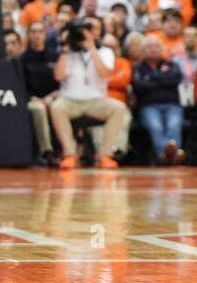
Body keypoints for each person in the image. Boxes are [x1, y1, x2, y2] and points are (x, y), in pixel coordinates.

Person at [50, 19, 129, 170]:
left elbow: (104, 73)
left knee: (118, 107)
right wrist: (66, 48)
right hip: (70, 101)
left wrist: (92, 48)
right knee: (56, 106)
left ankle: (105, 155)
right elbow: (58, 76)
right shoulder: (67, 52)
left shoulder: (105, 52)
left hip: (96, 102)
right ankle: (69, 155)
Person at [130, 36, 186, 164]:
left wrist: (150, 79)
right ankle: (166, 155)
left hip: (172, 105)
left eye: (156, 46)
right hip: (149, 106)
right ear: (142, 51)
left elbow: (175, 79)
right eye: (149, 47)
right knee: (155, 126)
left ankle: (170, 156)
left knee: (174, 125)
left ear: (162, 49)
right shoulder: (138, 67)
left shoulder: (172, 64)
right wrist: (162, 79)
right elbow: (138, 86)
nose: (153, 49)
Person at [21, 18, 61, 165]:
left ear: (45, 34)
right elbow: (19, 86)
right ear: (28, 35)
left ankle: (65, 151)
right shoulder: (23, 59)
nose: (37, 35)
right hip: (32, 100)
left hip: (54, 97)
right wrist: (31, 98)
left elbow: (63, 83)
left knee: (57, 106)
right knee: (39, 108)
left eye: (40, 32)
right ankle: (47, 152)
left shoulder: (55, 56)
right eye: (33, 32)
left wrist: (53, 95)